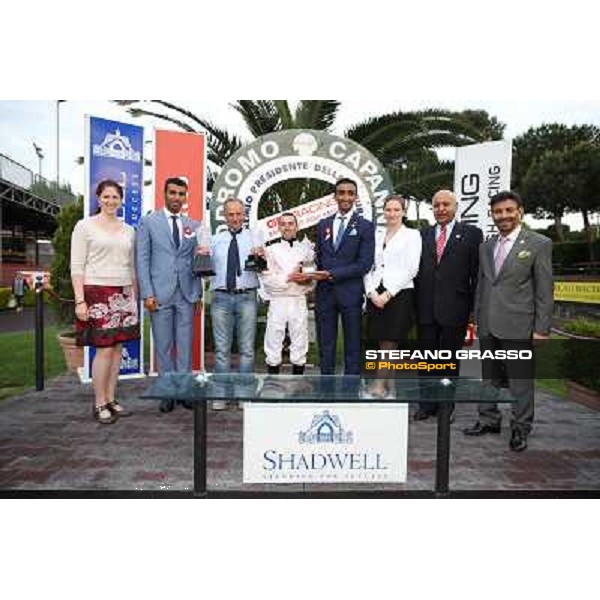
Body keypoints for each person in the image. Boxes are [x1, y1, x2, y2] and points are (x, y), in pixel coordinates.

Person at [464, 190, 553, 452]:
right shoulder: (486, 246)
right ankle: (488, 419)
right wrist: (476, 318)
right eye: (498, 212)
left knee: (520, 380)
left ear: (520, 212)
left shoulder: (539, 243)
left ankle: (520, 428)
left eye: (508, 211)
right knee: (488, 377)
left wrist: (541, 328)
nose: (503, 216)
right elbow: (482, 285)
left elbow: (545, 289)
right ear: (493, 215)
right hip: (488, 323)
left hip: (519, 326)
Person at [71, 179, 139, 425]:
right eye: (106, 197)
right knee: (104, 349)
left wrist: (134, 296)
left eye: (115, 197)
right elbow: (76, 267)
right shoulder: (84, 226)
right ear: (98, 199)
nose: (111, 201)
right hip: (96, 292)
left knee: (119, 348)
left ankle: (111, 399)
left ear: (121, 200)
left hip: (124, 293)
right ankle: (99, 402)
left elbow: (131, 266)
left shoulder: (128, 230)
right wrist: (80, 301)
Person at [413, 190, 483, 421]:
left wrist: (473, 310)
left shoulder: (472, 234)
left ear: (455, 207)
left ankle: (446, 406)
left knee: (449, 361)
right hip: (425, 308)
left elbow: (477, 274)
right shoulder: (420, 235)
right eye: (436, 205)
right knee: (426, 360)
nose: (441, 209)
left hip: (456, 308)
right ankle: (426, 405)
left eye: (446, 204)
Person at [136, 177, 202, 413]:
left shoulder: (194, 225)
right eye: (172, 193)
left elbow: (198, 261)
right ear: (164, 194)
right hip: (159, 294)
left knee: (184, 345)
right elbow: (142, 260)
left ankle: (183, 391)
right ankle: (167, 391)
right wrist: (147, 293)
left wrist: (198, 294)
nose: (176, 197)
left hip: (186, 294)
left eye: (181, 194)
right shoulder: (148, 222)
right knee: (163, 346)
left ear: (186, 197)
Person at [314, 177, 375, 374]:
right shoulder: (323, 224)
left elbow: (364, 264)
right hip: (324, 294)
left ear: (356, 197)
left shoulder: (365, 226)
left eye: (350, 193)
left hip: (351, 294)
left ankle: (350, 393)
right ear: (335, 196)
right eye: (341, 193)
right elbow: (319, 257)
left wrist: (332, 273)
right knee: (326, 345)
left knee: (353, 346)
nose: (345, 197)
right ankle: (326, 390)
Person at [208, 197, 259, 409]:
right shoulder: (214, 240)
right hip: (220, 298)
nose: (235, 218)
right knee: (221, 350)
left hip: (246, 296)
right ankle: (220, 394)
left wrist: (262, 257)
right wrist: (199, 255)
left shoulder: (255, 238)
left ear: (244, 215)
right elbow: (204, 268)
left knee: (247, 348)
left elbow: (264, 268)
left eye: (239, 214)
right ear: (225, 217)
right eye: (231, 214)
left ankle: (244, 395)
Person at [364, 194, 421, 357]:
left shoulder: (412, 235)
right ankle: (390, 383)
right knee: (381, 338)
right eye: (388, 209)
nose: (392, 213)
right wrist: (371, 292)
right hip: (376, 291)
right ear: (383, 212)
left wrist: (388, 294)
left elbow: (412, 268)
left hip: (399, 292)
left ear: (404, 212)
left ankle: (379, 383)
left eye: (397, 209)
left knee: (391, 339)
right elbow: (368, 265)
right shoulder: (376, 235)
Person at [260, 212, 314, 375]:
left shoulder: (307, 250)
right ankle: (272, 385)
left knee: (299, 339)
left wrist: (303, 280)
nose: (287, 227)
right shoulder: (270, 250)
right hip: (278, 301)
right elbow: (267, 280)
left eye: (291, 223)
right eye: (283, 224)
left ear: (296, 227)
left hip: (298, 299)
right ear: (278, 227)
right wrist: (289, 277)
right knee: (273, 338)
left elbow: (311, 280)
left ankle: (298, 385)